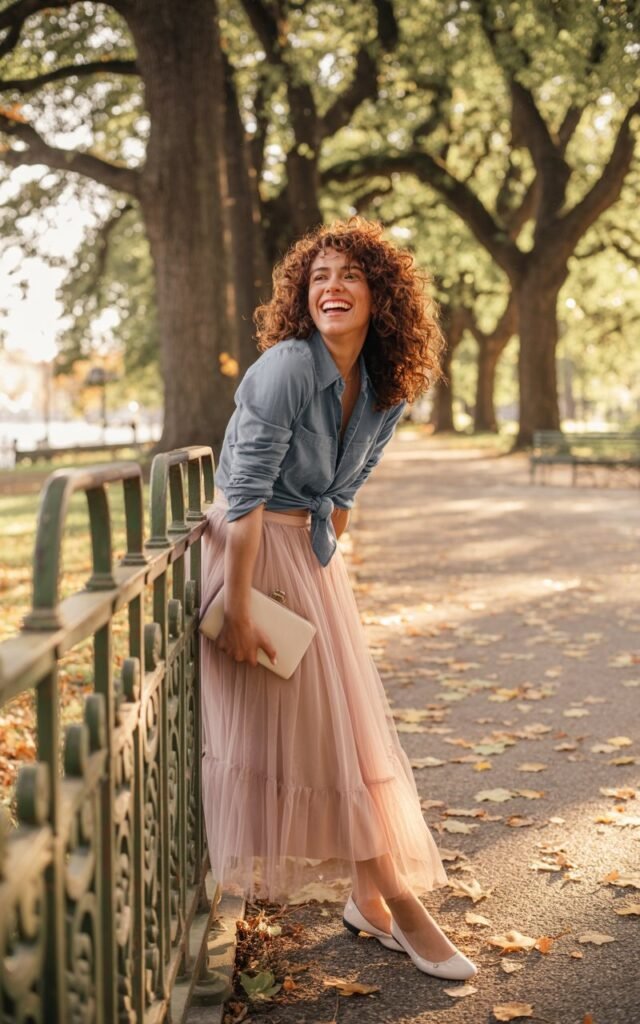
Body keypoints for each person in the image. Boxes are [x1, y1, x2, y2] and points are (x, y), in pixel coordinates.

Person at [200, 218, 477, 980]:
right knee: (331, 743)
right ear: (303, 294)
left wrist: (326, 575)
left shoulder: (389, 382)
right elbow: (245, 497)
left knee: (352, 735)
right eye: (319, 276)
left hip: (309, 558)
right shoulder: (287, 367)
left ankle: (367, 900)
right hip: (249, 555)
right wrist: (243, 604)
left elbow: (346, 492)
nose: (332, 287)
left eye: (349, 275)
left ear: (381, 295)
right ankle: (403, 905)